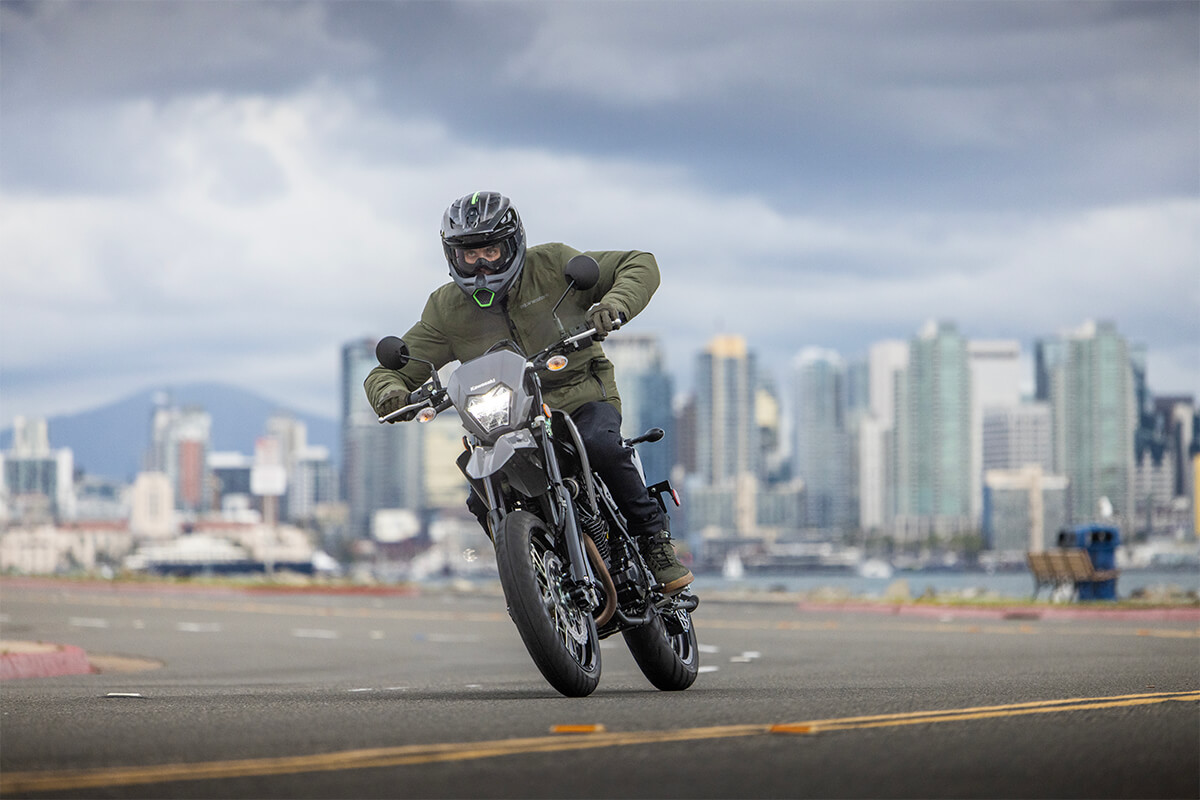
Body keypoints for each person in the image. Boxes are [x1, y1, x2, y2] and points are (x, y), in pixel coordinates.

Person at [363, 191, 692, 594]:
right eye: (470, 255)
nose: (481, 263)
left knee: (599, 446)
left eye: (490, 250)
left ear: (513, 243)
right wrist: (391, 393)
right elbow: (390, 368)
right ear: (452, 256)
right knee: (478, 495)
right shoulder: (446, 309)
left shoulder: (553, 264)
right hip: (504, 422)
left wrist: (615, 303)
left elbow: (640, 263)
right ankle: (531, 581)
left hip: (580, 395)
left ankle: (653, 541)